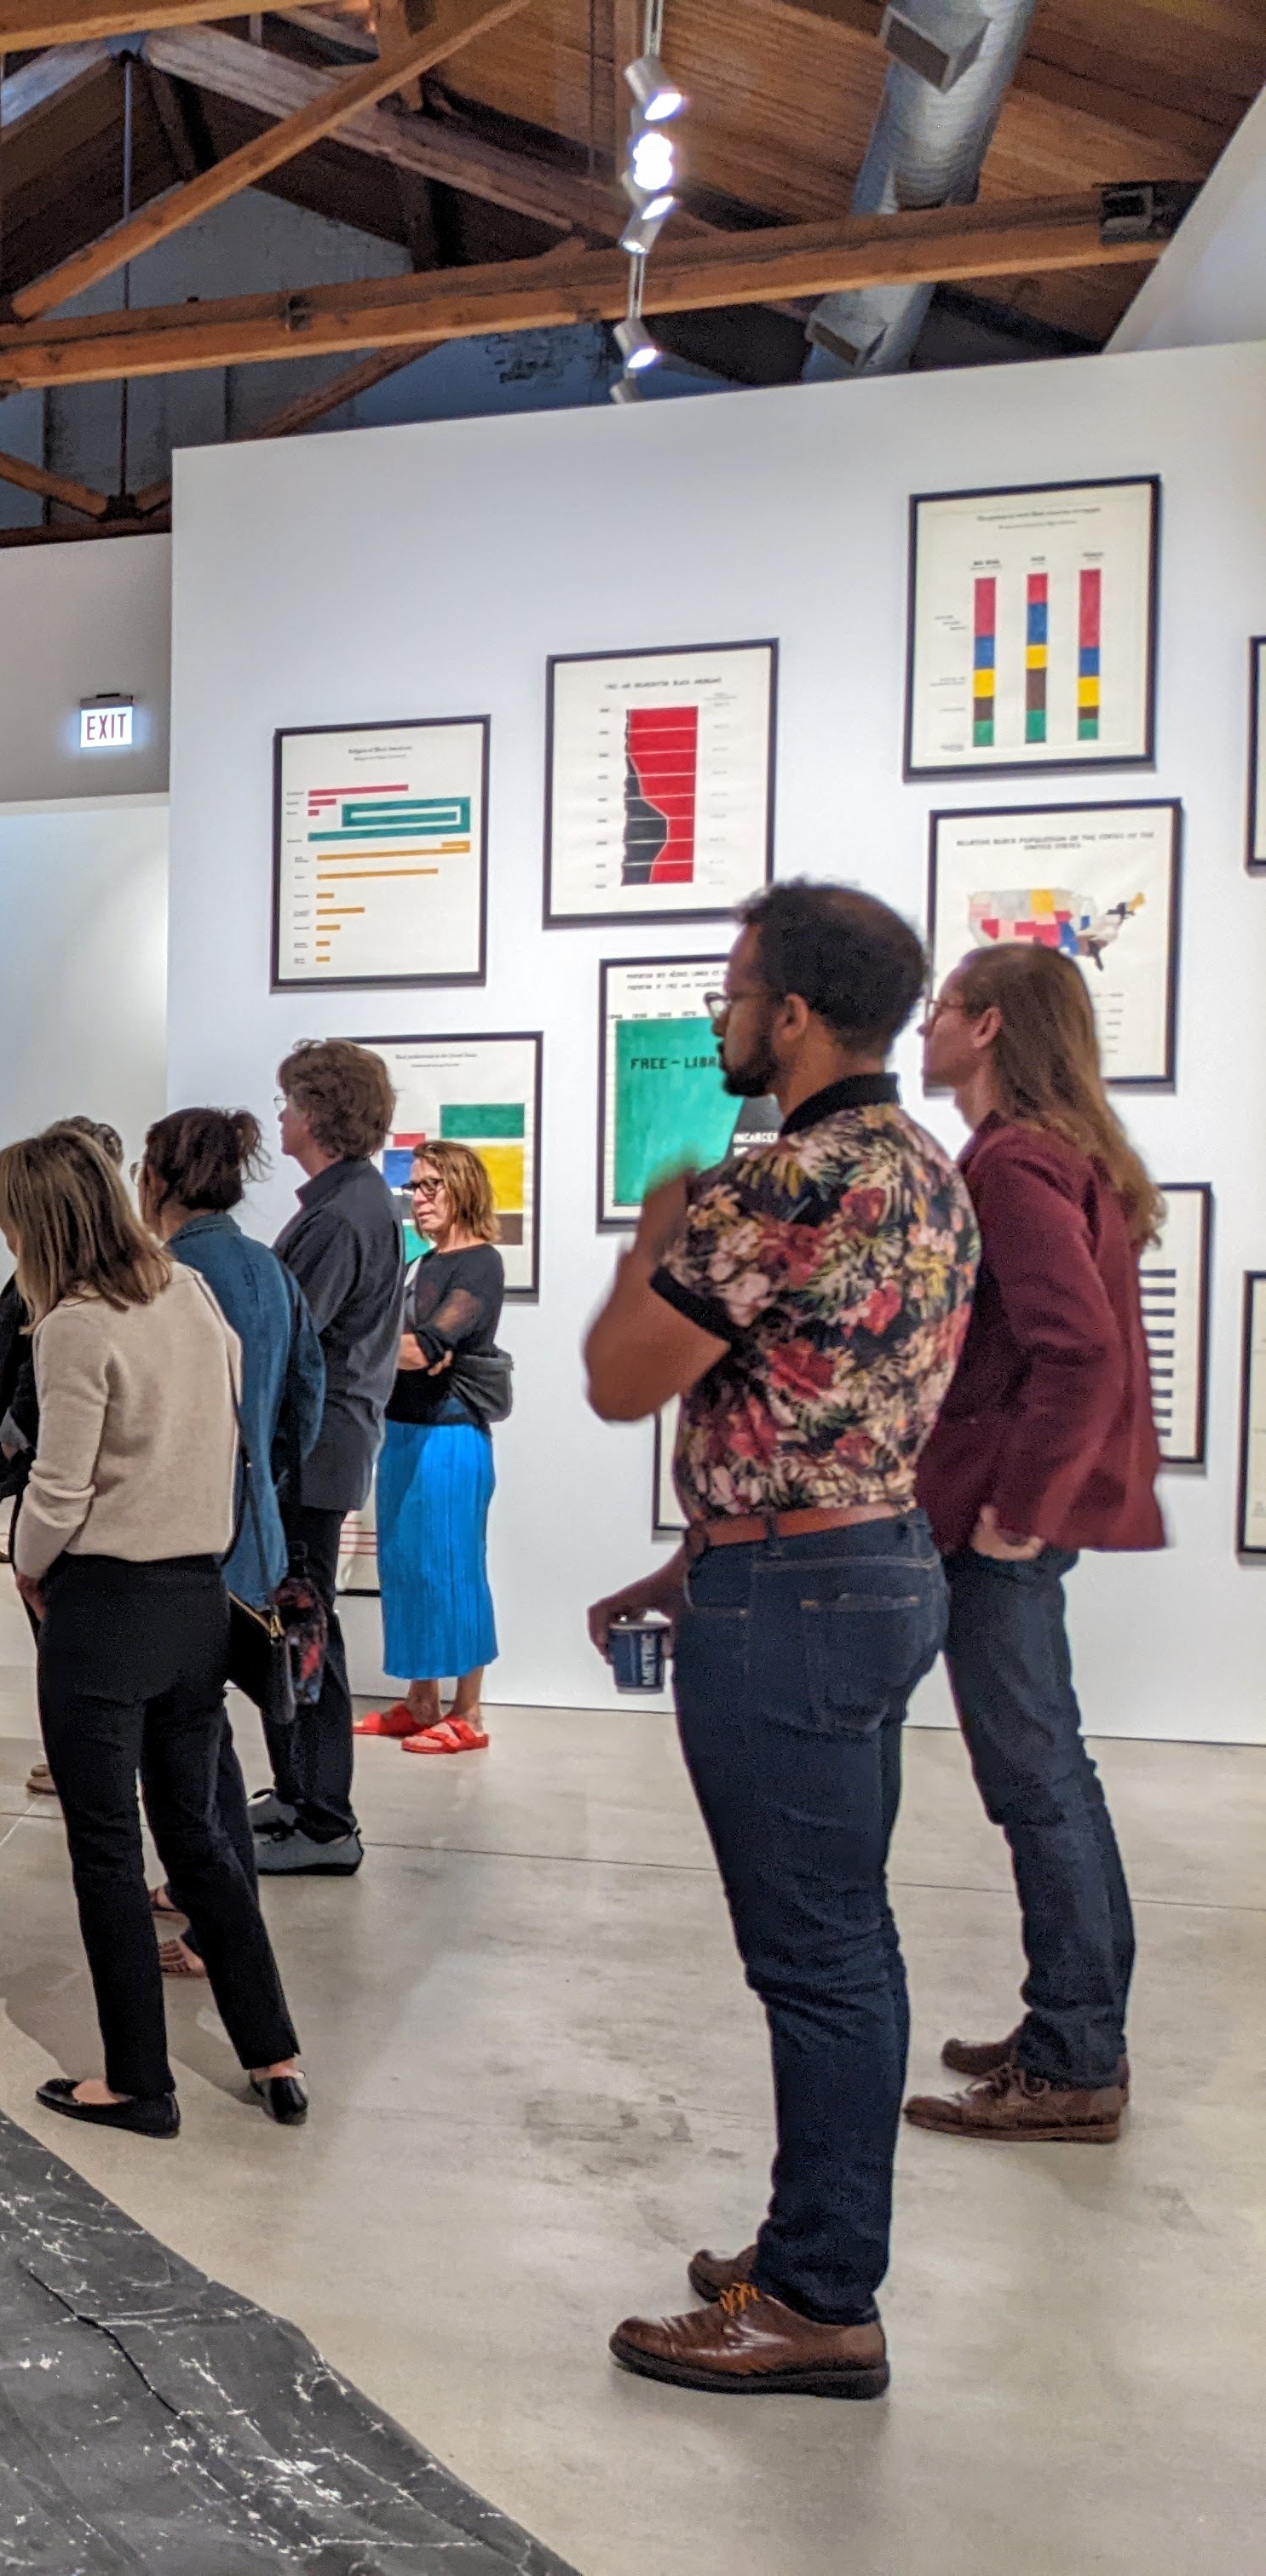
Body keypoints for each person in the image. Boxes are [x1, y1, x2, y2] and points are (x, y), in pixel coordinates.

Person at [583, 881, 975, 2401]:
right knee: (839, 1939)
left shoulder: (782, 1184)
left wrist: (653, 1234)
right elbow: (829, 1412)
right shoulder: (924, 1170)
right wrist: (691, 1561)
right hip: (868, 1567)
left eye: (731, 988)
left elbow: (625, 1376)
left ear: (792, 1010)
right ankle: (807, 2243)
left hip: (797, 1603)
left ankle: (818, 2293)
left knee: (813, 1955)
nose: (718, 1014)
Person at [0, 1124, 307, 2139]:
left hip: (104, 1609)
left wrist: (27, 1564)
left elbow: (60, 1485)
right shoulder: (189, 1294)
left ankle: (139, 2080)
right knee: (200, 1838)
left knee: (106, 1852)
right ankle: (273, 2054)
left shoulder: (78, 1325)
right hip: (195, 1603)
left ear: (36, 1223)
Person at [906, 940, 1164, 2146]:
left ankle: (1073, 2059)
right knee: (1055, 1773)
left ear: (992, 1026)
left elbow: (1082, 1352)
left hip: (998, 1524)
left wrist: (1020, 1503)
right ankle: (1076, 2023)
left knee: (1035, 1784)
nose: (926, 1027)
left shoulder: (1013, 1162)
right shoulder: (1053, 1153)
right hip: (1012, 1514)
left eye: (942, 1009)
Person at [141, 1108, 326, 1852]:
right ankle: (209, 1896)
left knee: (187, 1742)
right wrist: (265, 1483)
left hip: (179, 1539)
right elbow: (305, 1399)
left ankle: (206, 1905)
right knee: (205, 1722)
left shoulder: (164, 1278)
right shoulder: (270, 1270)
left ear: (158, 1178)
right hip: (256, 1532)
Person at [255, 1040, 402, 1873]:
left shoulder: (343, 1217)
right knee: (296, 1627)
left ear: (314, 1112)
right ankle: (303, 1793)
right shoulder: (347, 1204)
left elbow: (288, 1336)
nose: (280, 1116)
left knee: (305, 1632)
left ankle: (324, 1822)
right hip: (318, 1449)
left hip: (311, 1453)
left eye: (286, 1102)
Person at [367, 1140, 506, 1757]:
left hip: (450, 1436)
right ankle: (422, 1701)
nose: (417, 1199)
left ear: (462, 1188)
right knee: (406, 1566)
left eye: (430, 1187)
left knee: (453, 1568)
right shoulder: (420, 1263)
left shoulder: (478, 1263)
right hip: (402, 1429)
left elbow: (422, 1349)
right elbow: (405, 1347)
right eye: (413, 1188)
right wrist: (395, 1348)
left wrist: (365, 1351)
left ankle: (468, 1712)